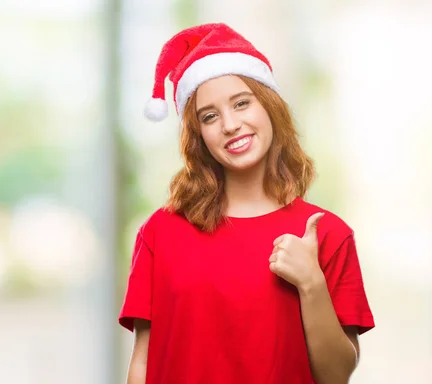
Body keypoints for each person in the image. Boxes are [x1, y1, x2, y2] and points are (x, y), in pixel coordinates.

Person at [118, 23, 375, 384]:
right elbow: (142, 362)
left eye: (242, 103)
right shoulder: (160, 233)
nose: (230, 124)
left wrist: (311, 283)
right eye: (210, 116)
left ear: (269, 106)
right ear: (199, 136)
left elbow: (335, 377)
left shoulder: (328, 235)